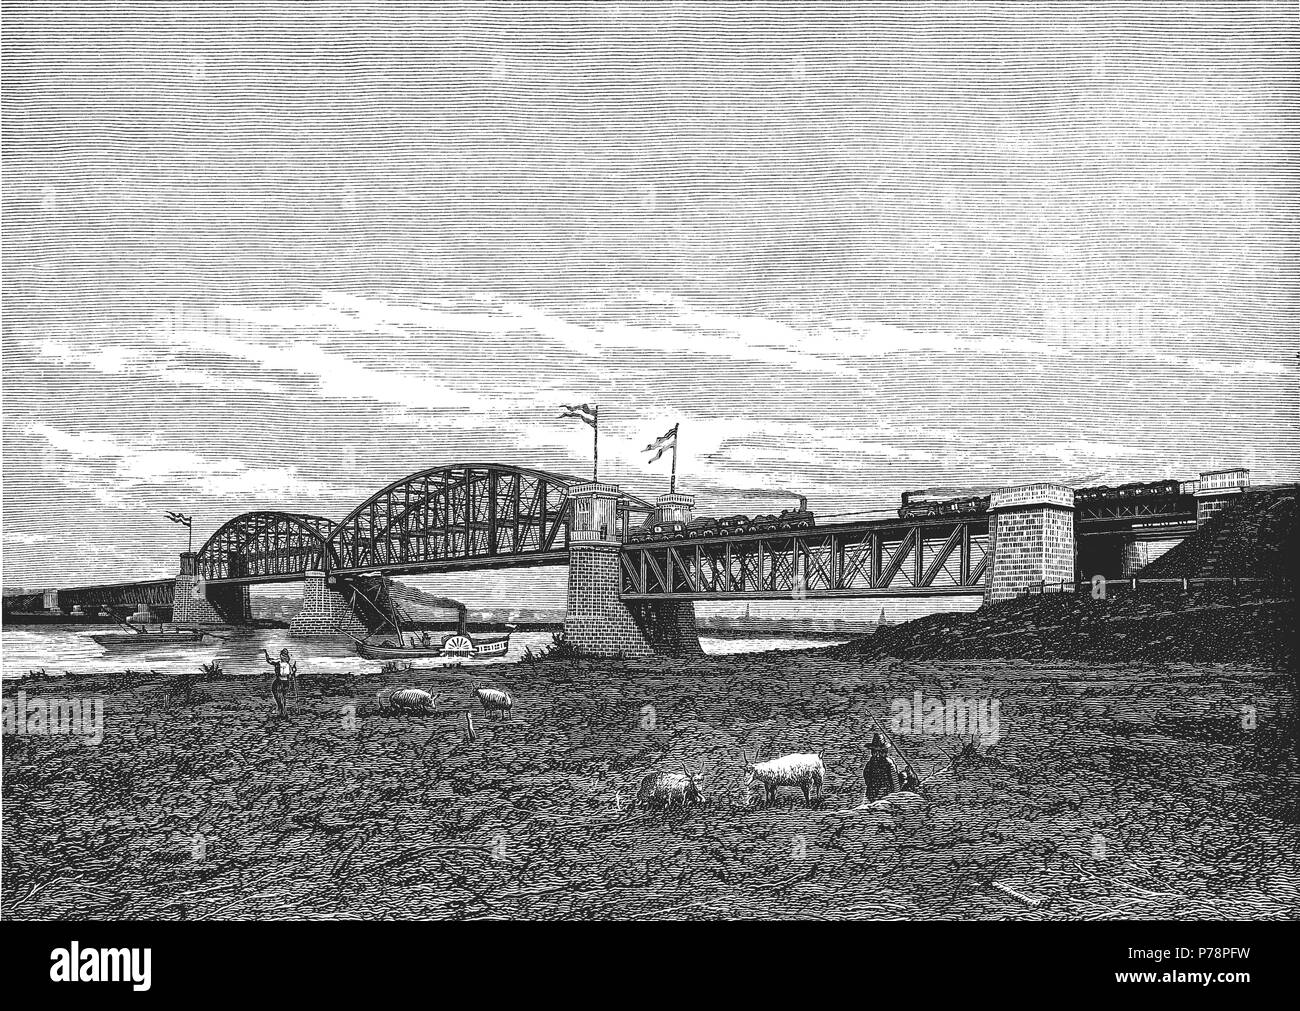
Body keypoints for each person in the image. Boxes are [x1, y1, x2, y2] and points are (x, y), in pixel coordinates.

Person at [863, 733, 902, 802]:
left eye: (880, 751)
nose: (877, 755)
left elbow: (895, 781)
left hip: (886, 795)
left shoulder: (888, 763)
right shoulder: (870, 763)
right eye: (875, 751)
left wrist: (896, 796)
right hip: (872, 795)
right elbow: (867, 777)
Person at [263, 647, 297, 719]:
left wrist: (266, 653)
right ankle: (281, 710)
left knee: (278, 697)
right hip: (286, 683)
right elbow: (291, 675)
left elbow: (268, 661)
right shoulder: (289, 666)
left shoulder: (278, 664)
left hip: (279, 682)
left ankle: (282, 711)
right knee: (283, 697)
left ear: (281, 656)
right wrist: (294, 670)